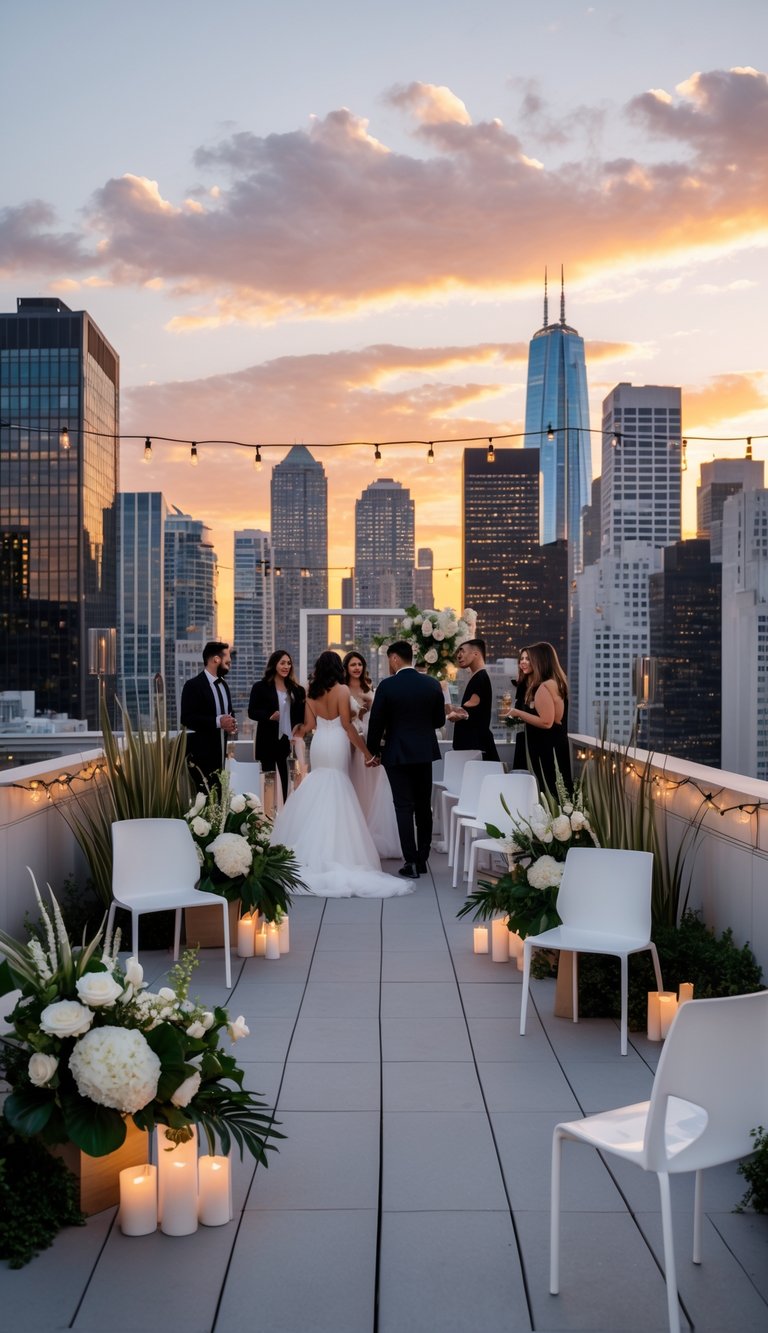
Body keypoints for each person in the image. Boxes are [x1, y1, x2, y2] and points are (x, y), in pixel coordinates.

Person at [271, 651, 411, 897]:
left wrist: (297, 731)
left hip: (319, 744)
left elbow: (309, 726)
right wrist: (367, 753)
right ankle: (336, 849)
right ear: (338, 668)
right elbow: (347, 726)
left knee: (319, 785)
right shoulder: (342, 690)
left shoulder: (312, 691)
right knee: (338, 787)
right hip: (336, 741)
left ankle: (311, 848)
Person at [366, 640, 446, 879]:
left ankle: (410, 861)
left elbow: (376, 722)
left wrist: (373, 752)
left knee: (403, 807)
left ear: (394, 659)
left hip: (397, 753)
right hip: (423, 753)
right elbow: (439, 721)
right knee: (423, 806)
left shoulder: (387, 686)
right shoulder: (431, 684)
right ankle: (422, 859)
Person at [343, 650, 401, 859]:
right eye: (353, 665)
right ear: (346, 668)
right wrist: (358, 713)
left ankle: (372, 833)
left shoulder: (371, 688)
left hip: (371, 740)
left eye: (360, 664)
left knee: (373, 786)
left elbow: (381, 717)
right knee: (355, 784)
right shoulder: (342, 690)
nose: (357, 668)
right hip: (351, 742)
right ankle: (355, 835)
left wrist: (371, 709)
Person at [506, 641, 572, 793]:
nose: (523, 662)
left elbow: (547, 722)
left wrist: (517, 713)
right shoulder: (554, 683)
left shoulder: (544, 687)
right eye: (522, 659)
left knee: (547, 792)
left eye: (528, 659)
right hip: (553, 747)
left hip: (546, 750)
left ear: (540, 661)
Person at [248, 650, 306, 801]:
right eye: (282, 663)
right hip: (267, 742)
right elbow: (252, 712)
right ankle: (269, 814)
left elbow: (302, 716)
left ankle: (287, 812)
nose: (286, 666)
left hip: (289, 744)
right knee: (269, 784)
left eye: (289, 663)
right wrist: (269, 716)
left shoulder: (297, 690)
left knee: (288, 783)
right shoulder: (260, 687)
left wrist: (298, 730)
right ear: (274, 664)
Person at [180, 641, 237, 791]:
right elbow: (186, 718)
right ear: (216, 659)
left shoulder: (224, 685)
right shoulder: (193, 685)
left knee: (220, 798)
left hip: (222, 757)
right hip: (201, 758)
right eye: (227, 657)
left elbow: (229, 712)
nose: (230, 661)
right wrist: (218, 722)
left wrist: (231, 724)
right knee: (205, 798)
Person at [445, 637, 500, 761]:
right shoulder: (478, 677)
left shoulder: (480, 678)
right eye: (458, 652)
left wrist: (450, 707)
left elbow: (465, 713)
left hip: (474, 750)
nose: (459, 655)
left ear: (475, 654)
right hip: (473, 748)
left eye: (462, 651)